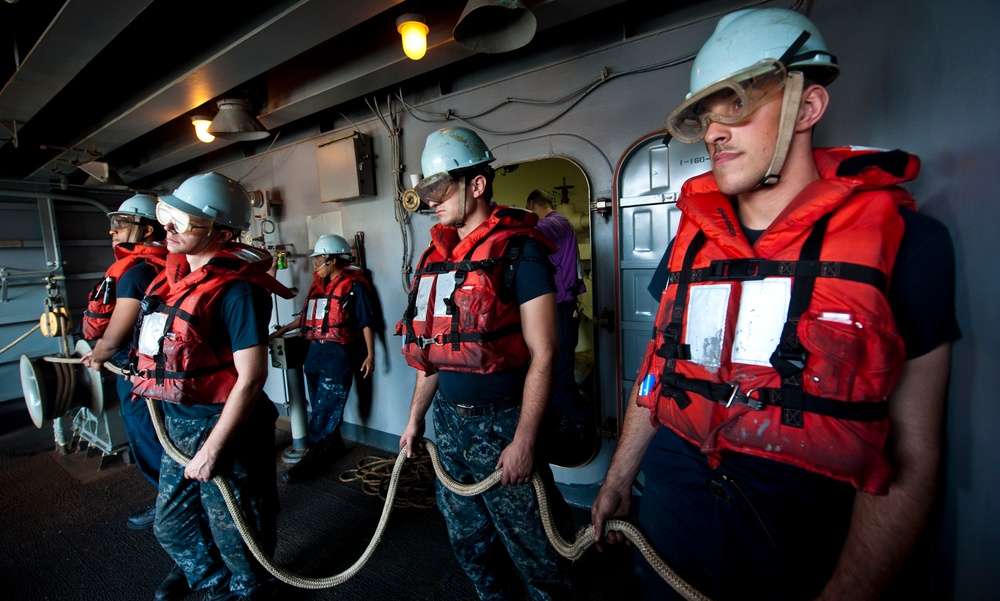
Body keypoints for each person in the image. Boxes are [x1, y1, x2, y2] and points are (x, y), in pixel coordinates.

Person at [591, 8, 960, 601]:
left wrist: (848, 590)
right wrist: (617, 477)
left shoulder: (910, 246)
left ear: (807, 108)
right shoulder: (688, 244)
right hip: (669, 528)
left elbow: (913, 455)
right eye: (705, 117)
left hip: (799, 555)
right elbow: (657, 372)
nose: (714, 132)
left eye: (735, 106)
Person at [398, 126, 575, 600]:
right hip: (449, 427)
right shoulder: (437, 260)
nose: (433, 201)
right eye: (427, 191)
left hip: (503, 424)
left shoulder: (521, 252)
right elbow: (432, 352)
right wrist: (415, 420)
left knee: (537, 551)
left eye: (441, 189)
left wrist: (524, 441)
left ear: (477, 184)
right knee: (469, 542)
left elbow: (546, 353)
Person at [130, 172, 294, 601]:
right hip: (180, 423)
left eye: (182, 222)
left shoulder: (239, 292)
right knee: (172, 524)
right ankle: (214, 584)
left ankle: (251, 589)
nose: (167, 228)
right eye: (168, 216)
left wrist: (214, 448)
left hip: (223, 426)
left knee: (239, 530)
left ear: (220, 233)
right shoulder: (171, 281)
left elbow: (252, 376)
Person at [270, 233, 375, 484]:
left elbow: (366, 322)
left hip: (337, 354)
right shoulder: (317, 286)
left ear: (334, 260)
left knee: (325, 410)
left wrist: (370, 354)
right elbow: (308, 317)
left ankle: (313, 455)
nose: (316, 265)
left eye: (319, 260)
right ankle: (334, 445)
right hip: (314, 352)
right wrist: (283, 330)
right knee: (318, 403)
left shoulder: (355, 286)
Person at [525, 189, 587, 460]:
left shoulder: (556, 222)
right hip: (559, 307)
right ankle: (564, 419)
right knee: (553, 368)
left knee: (560, 371)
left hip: (562, 308)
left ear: (532, 205)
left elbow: (532, 230)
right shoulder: (561, 225)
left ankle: (577, 424)